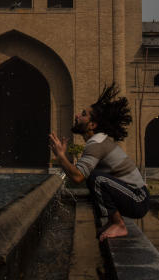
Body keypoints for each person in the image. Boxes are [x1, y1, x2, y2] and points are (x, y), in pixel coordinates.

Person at [49, 84, 149, 241]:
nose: (77, 115)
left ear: (92, 125)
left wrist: (61, 156)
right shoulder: (97, 142)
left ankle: (119, 225)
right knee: (93, 176)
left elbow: (77, 177)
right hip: (134, 196)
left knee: (96, 178)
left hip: (138, 199)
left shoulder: (97, 144)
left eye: (83, 114)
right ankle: (112, 221)